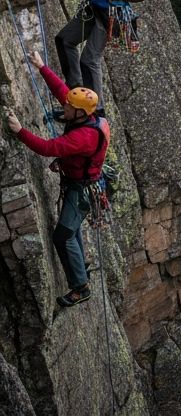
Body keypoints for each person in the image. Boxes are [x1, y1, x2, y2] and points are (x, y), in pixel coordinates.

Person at [4, 50, 110, 307]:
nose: (64, 107)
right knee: (69, 230)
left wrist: (19, 131)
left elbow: (48, 148)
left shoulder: (83, 137)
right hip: (83, 185)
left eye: (68, 107)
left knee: (62, 236)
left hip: (82, 189)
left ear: (80, 113)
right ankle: (80, 265)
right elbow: (63, 91)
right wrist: (42, 66)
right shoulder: (86, 115)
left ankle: (80, 287)